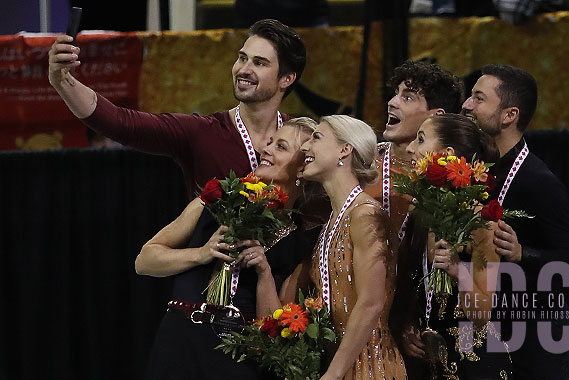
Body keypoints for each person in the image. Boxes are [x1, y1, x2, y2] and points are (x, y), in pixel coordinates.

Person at [134, 118, 320, 380]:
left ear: (303, 168)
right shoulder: (215, 201)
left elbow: (277, 330)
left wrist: (264, 273)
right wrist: (200, 253)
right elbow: (144, 260)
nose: (265, 149)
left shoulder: (301, 243)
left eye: (280, 146)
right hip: (179, 342)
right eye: (268, 143)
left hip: (236, 355)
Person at [48, 19, 306, 199]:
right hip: (215, 276)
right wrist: (62, 81)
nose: (244, 69)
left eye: (259, 63)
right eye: (242, 58)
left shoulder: (304, 141)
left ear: (287, 79)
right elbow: (120, 122)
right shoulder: (201, 133)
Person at [462, 64, 569, 380]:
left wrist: (522, 254)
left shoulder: (538, 181)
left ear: (509, 115)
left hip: (537, 349)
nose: (466, 104)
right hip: (484, 337)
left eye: (478, 98)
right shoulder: (473, 173)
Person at [260, 115, 406, 380]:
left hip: (369, 366)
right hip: (337, 363)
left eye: (316, 137)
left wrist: (334, 373)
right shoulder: (329, 224)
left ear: (344, 149)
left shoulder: (365, 214)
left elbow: (371, 303)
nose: (305, 148)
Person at [400, 113, 514, 379]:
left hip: (473, 363)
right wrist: (406, 325)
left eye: (420, 139)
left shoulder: (482, 223)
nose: (409, 148)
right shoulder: (418, 211)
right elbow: (410, 282)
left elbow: (482, 314)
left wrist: (457, 270)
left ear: (446, 154)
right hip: (427, 363)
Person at [364, 60, 463, 255]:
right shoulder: (363, 160)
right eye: (396, 94)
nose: (392, 102)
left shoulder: (451, 181)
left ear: (435, 116)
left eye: (407, 98)